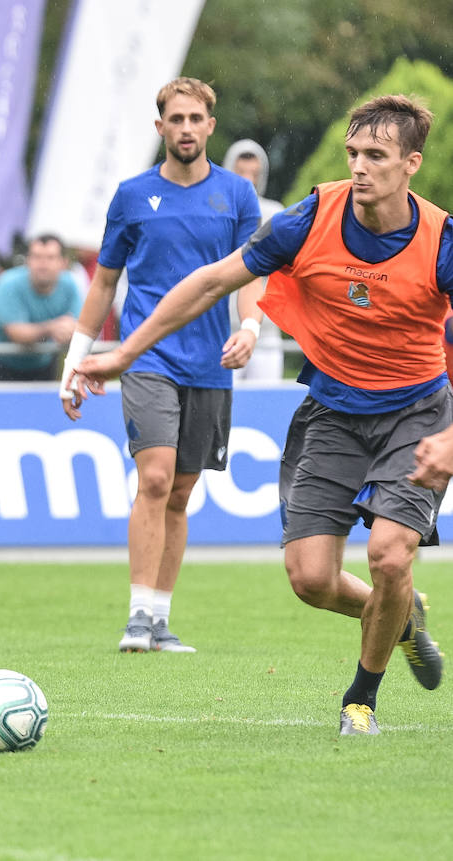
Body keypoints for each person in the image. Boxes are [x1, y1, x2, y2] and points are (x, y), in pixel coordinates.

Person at [74, 94, 449, 736]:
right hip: (332, 411)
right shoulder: (309, 218)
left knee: (389, 553)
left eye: (377, 156)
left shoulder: (442, 241)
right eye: (353, 153)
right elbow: (210, 282)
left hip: (417, 413)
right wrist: (122, 352)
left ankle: (361, 698)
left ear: (411, 163)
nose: (359, 168)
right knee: (311, 580)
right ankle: (402, 610)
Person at [58, 77, 264, 655]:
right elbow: (103, 282)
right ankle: (136, 618)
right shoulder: (131, 195)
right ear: (161, 128)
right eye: (176, 119)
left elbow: (251, 276)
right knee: (153, 478)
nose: (187, 129)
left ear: (210, 127)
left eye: (196, 119)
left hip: (210, 364)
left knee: (180, 491)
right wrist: (77, 360)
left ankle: (161, 619)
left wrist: (250, 327)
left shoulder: (238, 196)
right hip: (144, 359)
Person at [223, 139, 287, 381]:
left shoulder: (274, 213)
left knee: (267, 404)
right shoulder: (217, 214)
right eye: (241, 173)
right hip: (225, 329)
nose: (248, 179)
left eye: (254, 173)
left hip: (267, 331)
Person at [0, 234, 83, 381]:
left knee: (44, 404)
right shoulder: (7, 284)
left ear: (64, 263)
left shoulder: (71, 285)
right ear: (27, 261)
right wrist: (53, 328)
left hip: (43, 362)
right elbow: (17, 334)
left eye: (50, 257)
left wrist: (68, 331)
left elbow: (80, 329)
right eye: (37, 257)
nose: (43, 263)